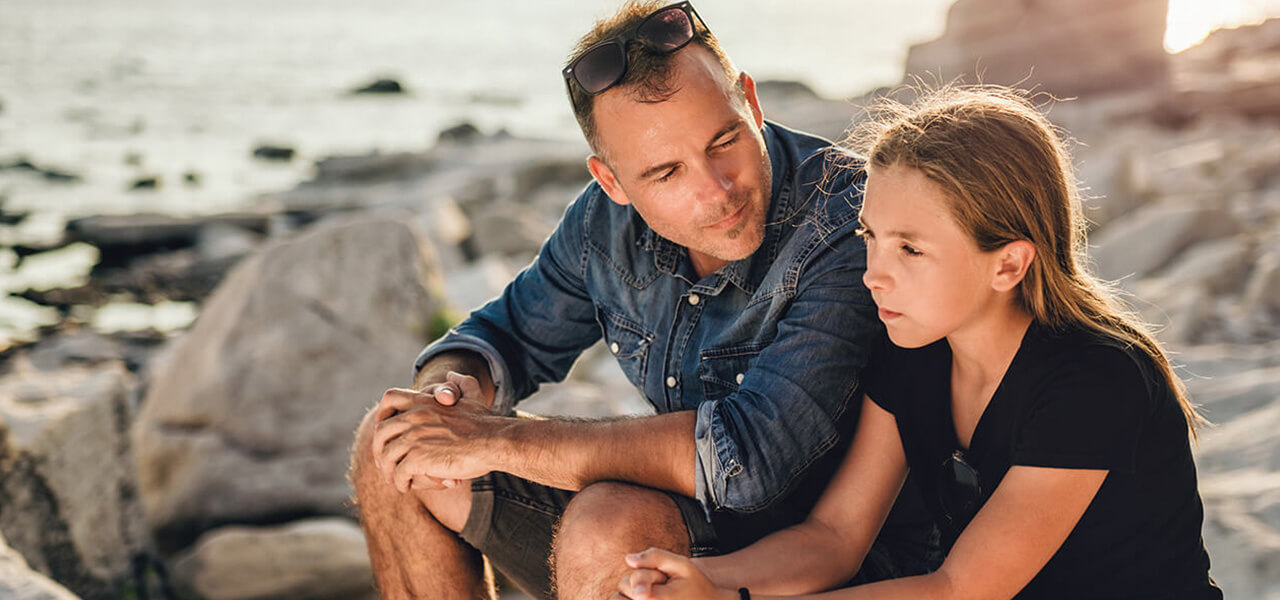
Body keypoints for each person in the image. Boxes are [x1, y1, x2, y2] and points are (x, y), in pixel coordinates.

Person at [348, 2, 936, 600]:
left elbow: (748, 460)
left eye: (725, 140)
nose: (717, 190)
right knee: (393, 442)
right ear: (612, 182)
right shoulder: (602, 226)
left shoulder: (851, 223)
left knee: (610, 528)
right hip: (681, 525)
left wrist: (490, 441)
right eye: (665, 173)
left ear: (752, 104)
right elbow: (502, 338)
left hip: (837, 562)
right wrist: (445, 397)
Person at [612, 85, 1223, 600]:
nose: (874, 272)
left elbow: (959, 589)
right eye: (870, 235)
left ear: (1008, 265)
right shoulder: (914, 352)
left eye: (910, 248)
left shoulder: (1096, 380)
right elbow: (835, 538)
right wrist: (706, 581)